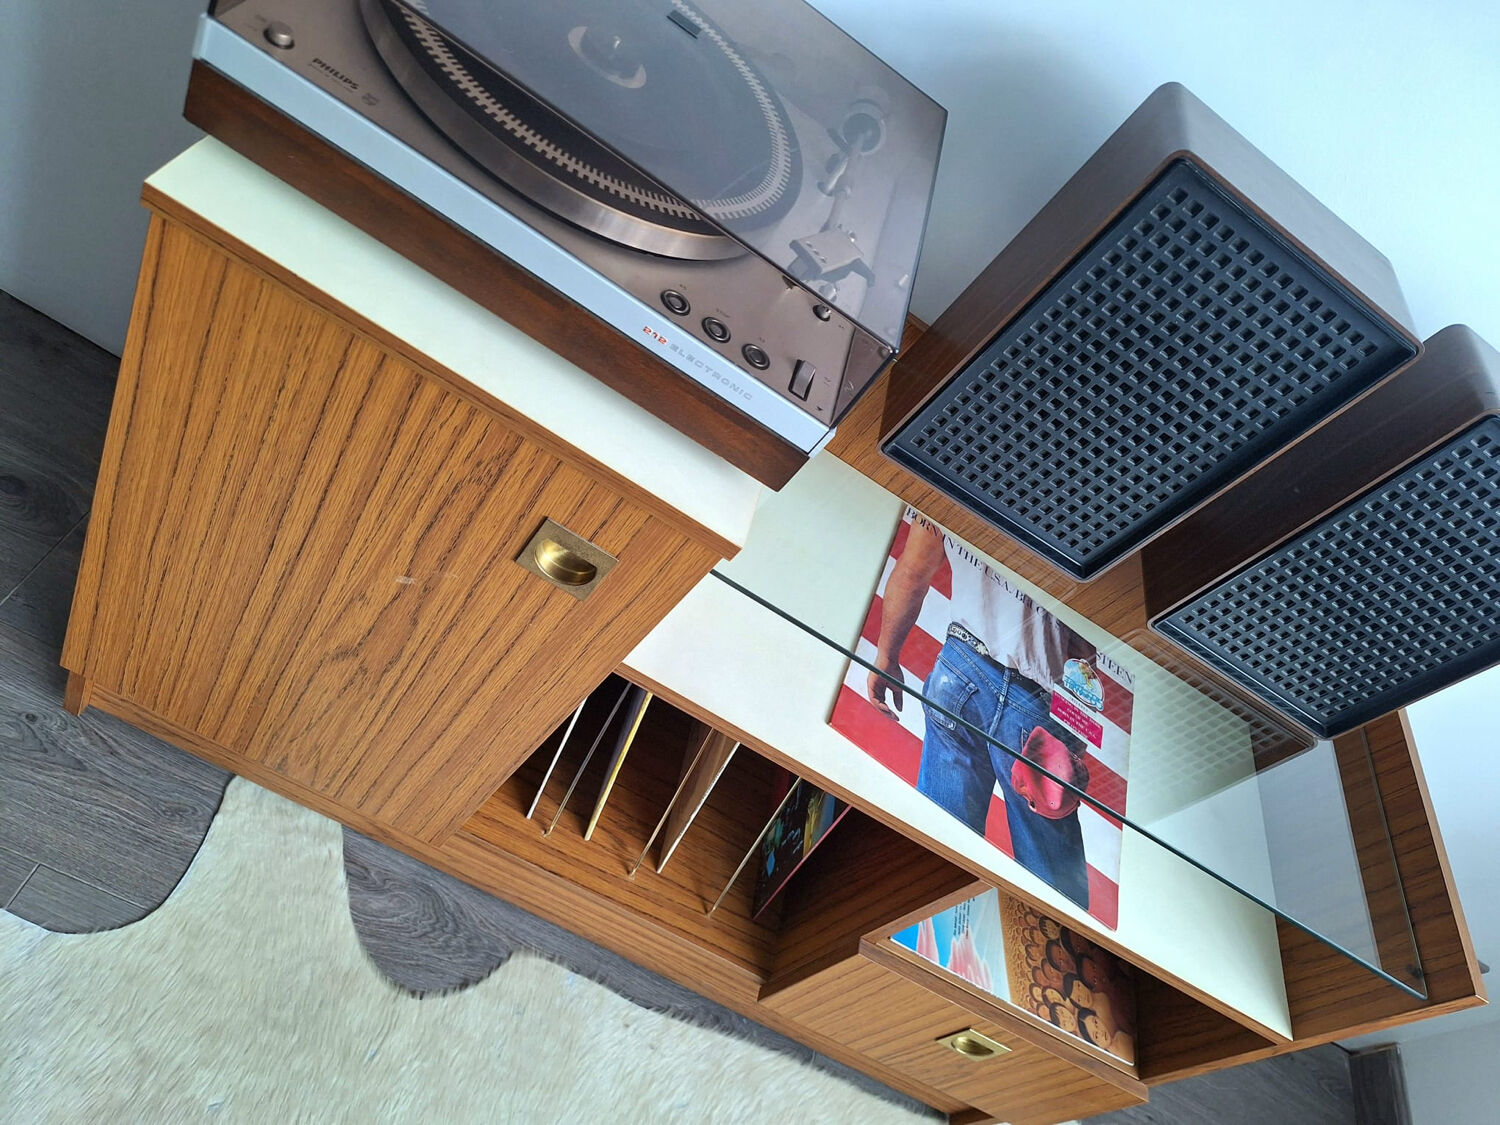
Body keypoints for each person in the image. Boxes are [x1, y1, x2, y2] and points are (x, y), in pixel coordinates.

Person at [866, 516, 1094, 908]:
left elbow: (914, 570)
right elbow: (1085, 643)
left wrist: (886, 656)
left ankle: (924, 920)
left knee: (939, 844)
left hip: (959, 667)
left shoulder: (946, 484)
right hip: (1033, 695)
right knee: (1054, 886)